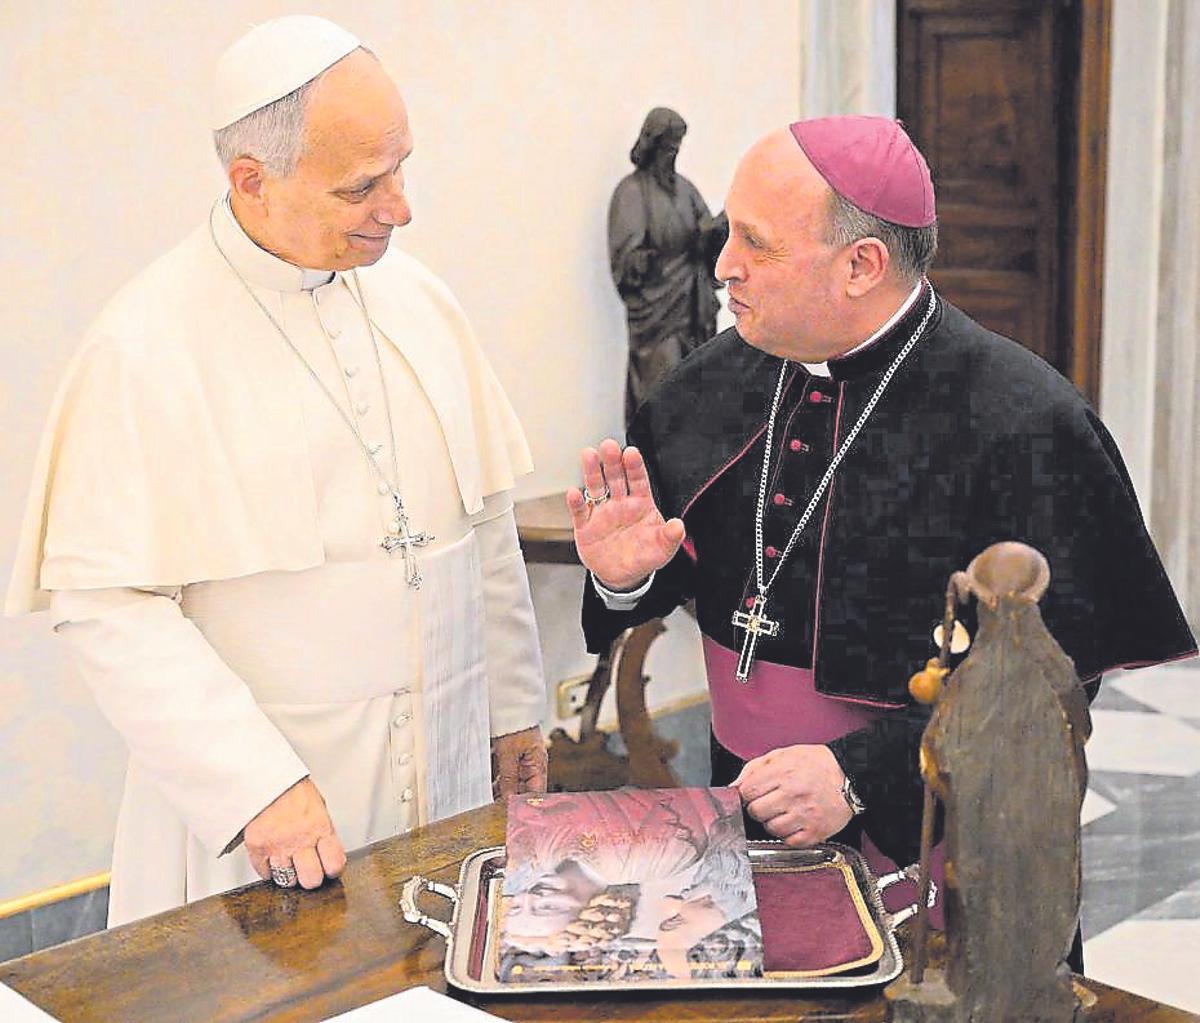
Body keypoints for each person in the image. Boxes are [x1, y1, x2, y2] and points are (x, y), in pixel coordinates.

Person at [5, 15, 546, 926]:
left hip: (446, 779)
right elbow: (107, 603)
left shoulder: (420, 302)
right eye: (362, 187)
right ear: (251, 181)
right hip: (280, 811)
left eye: (402, 166)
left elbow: (480, 520)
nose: (401, 207)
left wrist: (515, 707)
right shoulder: (146, 345)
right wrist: (253, 782)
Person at [570, 117, 1196, 891]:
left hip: (942, 826)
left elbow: (1052, 681)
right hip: (749, 804)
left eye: (755, 243)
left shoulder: (1023, 418)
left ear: (862, 264)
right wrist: (624, 579)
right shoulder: (707, 384)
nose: (723, 266)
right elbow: (692, 573)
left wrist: (860, 772)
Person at [608, 107, 728, 427]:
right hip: (657, 312)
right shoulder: (631, 193)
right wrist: (649, 258)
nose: (673, 154)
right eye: (668, 147)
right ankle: (653, 462)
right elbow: (627, 263)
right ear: (652, 145)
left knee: (697, 385)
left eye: (677, 147)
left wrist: (715, 234)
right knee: (661, 385)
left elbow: (707, 233)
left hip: (693, 305)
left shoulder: (686, 191)